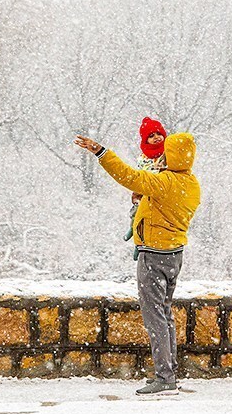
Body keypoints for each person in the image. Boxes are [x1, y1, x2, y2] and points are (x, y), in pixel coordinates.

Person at [75, 131, 201, 396]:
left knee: (155, 316)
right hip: (174, 255)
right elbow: (161, 204)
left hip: (154, 255)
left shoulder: (164, 182)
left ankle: (165, 379)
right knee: (165, 314)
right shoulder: (190, 183)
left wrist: (101, 152)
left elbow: (129, 176)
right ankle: (170, 372)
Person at [125, 118, 169, 260]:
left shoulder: (169, 153)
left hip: (161, 190)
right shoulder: (143, 158)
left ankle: (144, 244)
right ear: (145, 140)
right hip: (145, 189)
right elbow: (139, 175)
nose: (156, 138)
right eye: (151, 136)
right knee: (137, 214)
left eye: (158, 134)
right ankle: (135, 236)